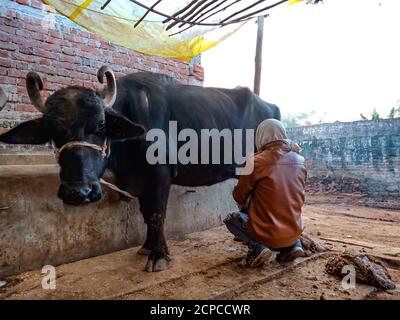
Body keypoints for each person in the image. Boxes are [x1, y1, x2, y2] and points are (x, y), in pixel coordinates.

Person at [224, 119, 307, 267]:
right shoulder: (299, 160)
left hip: (267, 233)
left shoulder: (256, 161)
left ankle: (257, 248)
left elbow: (239, 196)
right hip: (294, 228)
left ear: (261, 136)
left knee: (232, 220)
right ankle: (294, 245)